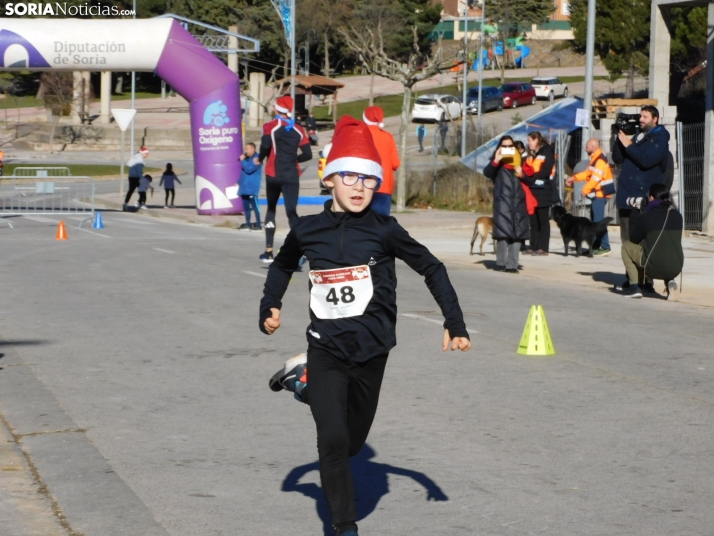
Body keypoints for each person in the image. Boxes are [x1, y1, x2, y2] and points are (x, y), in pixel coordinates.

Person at [259, 116, 471, 536]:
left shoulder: (384, 230)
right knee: (333, 441)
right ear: (331, 178)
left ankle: (302, 383)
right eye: (350, 176)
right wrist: (271, 303)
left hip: (373, 351)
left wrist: (454, 321)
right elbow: (282, 265)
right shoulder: (308, 229)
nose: (359, 187)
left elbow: (431, 267)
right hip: (326, 348)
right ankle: (344, 526)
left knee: (352, 443)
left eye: (369, 180)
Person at [612, 105, 670, 291]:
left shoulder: (660, 138)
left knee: (645, 240)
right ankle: (632, 278)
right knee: (627, 240)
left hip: (645, 198)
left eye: (645, 116)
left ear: (656, 119)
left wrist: (629, 145)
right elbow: (617, 158)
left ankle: (647, 281)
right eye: (641, 116)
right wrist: (620, 137)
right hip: (627, 195)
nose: (641, 119)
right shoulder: (637, 137)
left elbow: (646, 160)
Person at [256, 95, 313, 263]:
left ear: (276, 109)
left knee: (271, 209)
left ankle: (268, 251)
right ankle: (299, 252)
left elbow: (266, 145)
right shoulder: (298, 129)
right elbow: (308, 154)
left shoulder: (270, 126)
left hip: (273, 174)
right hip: (291, 176)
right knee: (291, 213)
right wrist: (295, 160)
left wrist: (260, 158)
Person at [619, 183, 683, 299]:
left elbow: (634, 238)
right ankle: (670, 281)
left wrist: (635, 214)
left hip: (652, 267)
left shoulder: (646, 216)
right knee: (666, 247)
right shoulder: (677, 215)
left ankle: (634, 287)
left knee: (626, 247)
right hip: (676, 266)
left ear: (652, 198)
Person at [483, 136, 530, 273]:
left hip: (519, 201)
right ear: (499, 148)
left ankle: (512, 265)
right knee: (503, 233)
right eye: (504, 146)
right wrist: (496, 160)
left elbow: (530, 180)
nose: (508, 149)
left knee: (517, 234)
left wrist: (522, 174)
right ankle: (501, 262)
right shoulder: (497, 164)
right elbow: (487, 173)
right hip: (502, 202)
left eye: (510, 146)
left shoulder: (521, 162)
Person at [565, 138, 614, 256]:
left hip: (600, 195)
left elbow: (595, 178)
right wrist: (574, 178)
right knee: (595, 222)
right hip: (596, 195)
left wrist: (585, 189)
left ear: (593, 147)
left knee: (598, 222)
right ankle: (596, 246)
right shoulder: (595, 159)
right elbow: (587, 173)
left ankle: (606, 247)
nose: (585, 148)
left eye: (587, 146)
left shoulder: (600, 160)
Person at [520, 131, 555, 255]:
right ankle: (533, 245)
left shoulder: (547, 151)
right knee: (533, 221)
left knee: (543, 220)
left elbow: (546, 170)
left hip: (543, 191)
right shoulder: (531, 154)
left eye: (530, 140)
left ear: (536, 140)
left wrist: (531, 177)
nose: (528, 143)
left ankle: (543, 247)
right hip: (532, 191)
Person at [363, 106, 400, 216]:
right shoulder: (388, 137)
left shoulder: (360, 134)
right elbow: (395, 164)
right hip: (384, 186)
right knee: (381, 224)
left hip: (362, 185)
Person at [238, 142, 262, 231]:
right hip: (244, 187)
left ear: (253, 149)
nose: (246, 151)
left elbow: (249, 170)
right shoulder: (247, 158)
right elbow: (243, 172)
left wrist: (242, 160)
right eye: (245, 149)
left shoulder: (257, 158)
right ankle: (248, 223)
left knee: (255, 206)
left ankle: (258, 224)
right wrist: (238, 182)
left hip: (252, 187)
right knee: (246, 207)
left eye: (247, 149)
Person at [124, 146, 149, 211]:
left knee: (131, 190)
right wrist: (142, 178)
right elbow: (139, 170)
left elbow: (133, 167)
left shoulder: (136, 157)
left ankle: (125, 203)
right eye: (146, 153)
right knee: (142, 191)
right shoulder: (140, 160)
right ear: (143, 153)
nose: (147, 155)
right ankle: (140, 203)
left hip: (131, 176)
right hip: (136, 177)